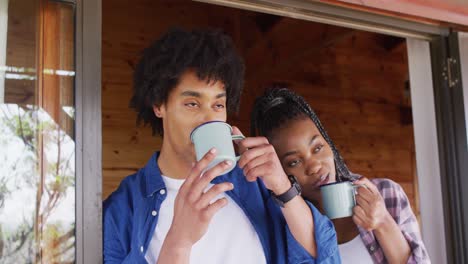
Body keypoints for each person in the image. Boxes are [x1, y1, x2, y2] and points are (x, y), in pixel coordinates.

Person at [103, 28, 340, 264]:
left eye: (218, 105)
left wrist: (283, 187)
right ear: (159, 105)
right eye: (192, 104)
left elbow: (324, 256)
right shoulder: (124, 208)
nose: (209, 119)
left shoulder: (255, 183)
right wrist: (179, 242)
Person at [250, 86, 430, 264]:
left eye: (318, 148)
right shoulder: (284, 225)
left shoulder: (386, 194)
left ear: (329, 144)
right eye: (294, 162)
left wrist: (383, 222)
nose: (314, 166)